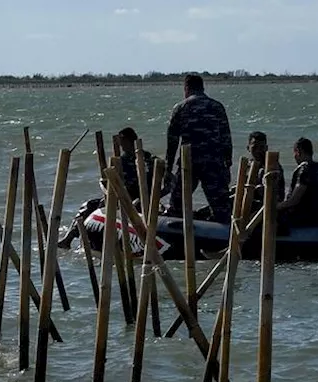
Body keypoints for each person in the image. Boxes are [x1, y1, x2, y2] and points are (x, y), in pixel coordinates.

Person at [57, 127, 155, 250]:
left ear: (131, 141)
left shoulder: (147, 159)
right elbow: (113, 182)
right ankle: (68, 239)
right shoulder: (121, 160)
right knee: (89, 205)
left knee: (106, 206)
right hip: (121, 195)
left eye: (124, 142)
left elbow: (165, 181)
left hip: (138, 198)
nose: (122, 146)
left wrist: (154, 196)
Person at [162, 74, 233, 222]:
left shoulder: (180, 108)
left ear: (186, 88)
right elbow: (226, 138)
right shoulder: (217, 107)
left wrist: (168, 169)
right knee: (222, 207)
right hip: (214, 162)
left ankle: (178, 230)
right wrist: (228, 163)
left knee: (177, 203)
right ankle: (224, 234)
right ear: (202, 88)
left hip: (189, 163)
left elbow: (172, 142)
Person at [275, 137, 318, 228]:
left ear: (298, 152)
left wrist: (275, 207)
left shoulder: (304, 170)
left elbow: (294, 200)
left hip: (305, 219)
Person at [231, 131, 285, 209]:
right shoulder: (248, 165)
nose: (258, 151)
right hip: (252, 200)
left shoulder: (272, 166)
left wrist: (250, 189)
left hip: (269, 205)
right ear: (248, 148)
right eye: (255, 147)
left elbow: (269, 191)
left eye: (261, 148)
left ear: (266, 148)